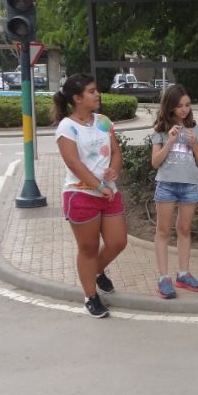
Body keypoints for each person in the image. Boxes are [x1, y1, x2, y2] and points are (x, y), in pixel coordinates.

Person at [53, 74, 128, 318]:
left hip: (108, 192)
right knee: (88, 247)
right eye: (92, 91)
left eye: (97, 90)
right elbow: (74, 164)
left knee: (118, 242)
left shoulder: (104, 121)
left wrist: (113, 169)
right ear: (77, 98)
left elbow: (116, 152)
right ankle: (90, 296)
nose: (98, 94)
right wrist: (98, 186)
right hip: (81, 194)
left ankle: (96, 271)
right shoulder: (67, 126)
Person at [150, 84, 198, 299]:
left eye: (187, 105)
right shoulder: (160, 130)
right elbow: (155, 162)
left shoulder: (195, 129)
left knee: (184, 229)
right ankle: (163, 278)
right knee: (163, 231)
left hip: (189, 185)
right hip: (167, 185)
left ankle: (183, 274)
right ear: (170, 107)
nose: (184, 109)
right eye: (180, 105)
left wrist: (194, 145)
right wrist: (170, 140)